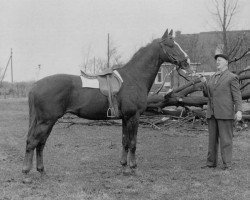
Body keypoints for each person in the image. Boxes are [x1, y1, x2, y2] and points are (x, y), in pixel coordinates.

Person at [200, 53, 242, 170]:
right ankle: (211, 163)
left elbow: (237, 96)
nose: (217, 62)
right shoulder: (213, 77)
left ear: (226, 62)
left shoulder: (232, 77)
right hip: (212, 113)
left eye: (219, 60)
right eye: (216, 60)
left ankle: (227, 164)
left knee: (226, 140)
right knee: (212, 140)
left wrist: (239, 110)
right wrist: (204, 82)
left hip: (225, 113)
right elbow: (207, 94)